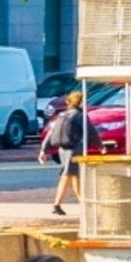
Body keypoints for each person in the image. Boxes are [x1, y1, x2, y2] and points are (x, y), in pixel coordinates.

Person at [43, 85, 90, 218]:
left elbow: (51, 133)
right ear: (80, 102)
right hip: (74, 149)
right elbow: (90, 131)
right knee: (67, 175)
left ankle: (84, 203)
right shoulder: (80, 115)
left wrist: (44, 149)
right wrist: (100, 146)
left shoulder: (61, 115)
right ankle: (57, 204)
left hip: (62, 149)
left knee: (75, 176)